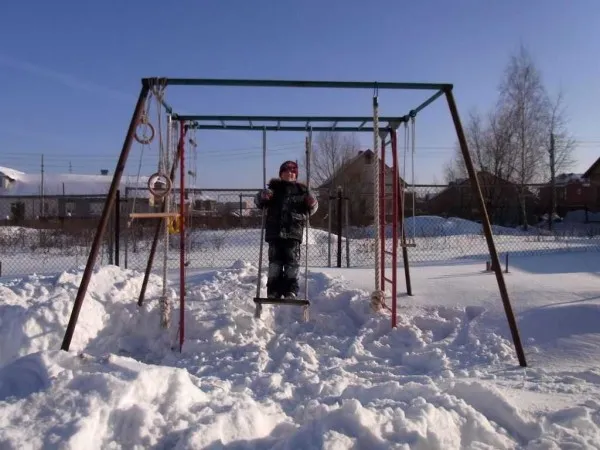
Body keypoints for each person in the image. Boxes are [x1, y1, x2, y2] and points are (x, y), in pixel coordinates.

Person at [254, 160, 318, 299]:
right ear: (281, 174)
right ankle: (273, 290)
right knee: (275, 262)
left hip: (293, 232)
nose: (289, 174)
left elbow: (313, 208)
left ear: (295, 175)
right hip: (275, 232)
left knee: (292, 262)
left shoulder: (302, 191)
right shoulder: (273, 189)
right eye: (286, 171)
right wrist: (262, 197)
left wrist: (311, 203)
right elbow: (258, 201)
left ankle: (291, 290)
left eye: (292, 172)